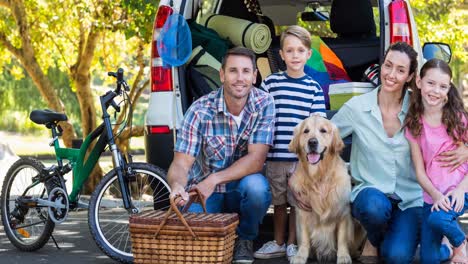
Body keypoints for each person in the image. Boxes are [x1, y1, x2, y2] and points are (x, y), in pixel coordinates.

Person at [166, 46, 275, 264]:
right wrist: (177, 186)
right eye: (233, 71)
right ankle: (219, 237)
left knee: (257, 189)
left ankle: (245, 238)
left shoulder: (264, 104)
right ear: (222, 75)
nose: (240, 78)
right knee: (191, 230)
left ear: (254, 76)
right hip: (204, 194)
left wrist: (214, 179)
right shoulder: (199, 110)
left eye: (246, 71)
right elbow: (180, 163)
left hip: (238, 188)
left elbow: (256, 160)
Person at [330, 42, 422, 263]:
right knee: (373, 208)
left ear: (410, 76)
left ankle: (390, 236)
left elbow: (448, 139)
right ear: (381, 66)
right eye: (388, 66)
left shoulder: (418, 110)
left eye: (400, 70)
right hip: (371, 194)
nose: (391, 74)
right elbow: (324, 138)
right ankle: (373, 237)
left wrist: (463, 153)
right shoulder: (357, 107)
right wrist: (305, 180)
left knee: (397, 257)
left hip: (409, 198)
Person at [253, 25, 326, 261]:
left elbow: (316, 127)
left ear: (308, 54)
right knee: (279, 202)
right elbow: (260, 116)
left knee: (298, 202)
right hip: (274, 157)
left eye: (300, 50)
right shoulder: (271, 84)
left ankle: (293, 243)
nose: (295, 55)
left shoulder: (313, 88)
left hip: (300, 160)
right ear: (281, 55)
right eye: (289, 50)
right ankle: (278, 241)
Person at [404, 59, 468, 264]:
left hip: (460, 190)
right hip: (433, 195)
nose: (436, 91)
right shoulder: (414, 123)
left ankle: (460, 243)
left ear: (449, 89)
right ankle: (447, 250)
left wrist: (460, 190)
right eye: (431, 83)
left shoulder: (458, 119)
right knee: (428, 258)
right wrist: (435, 195)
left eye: (442, 86)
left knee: (438, 218)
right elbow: (420, 171)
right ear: (419, 82)